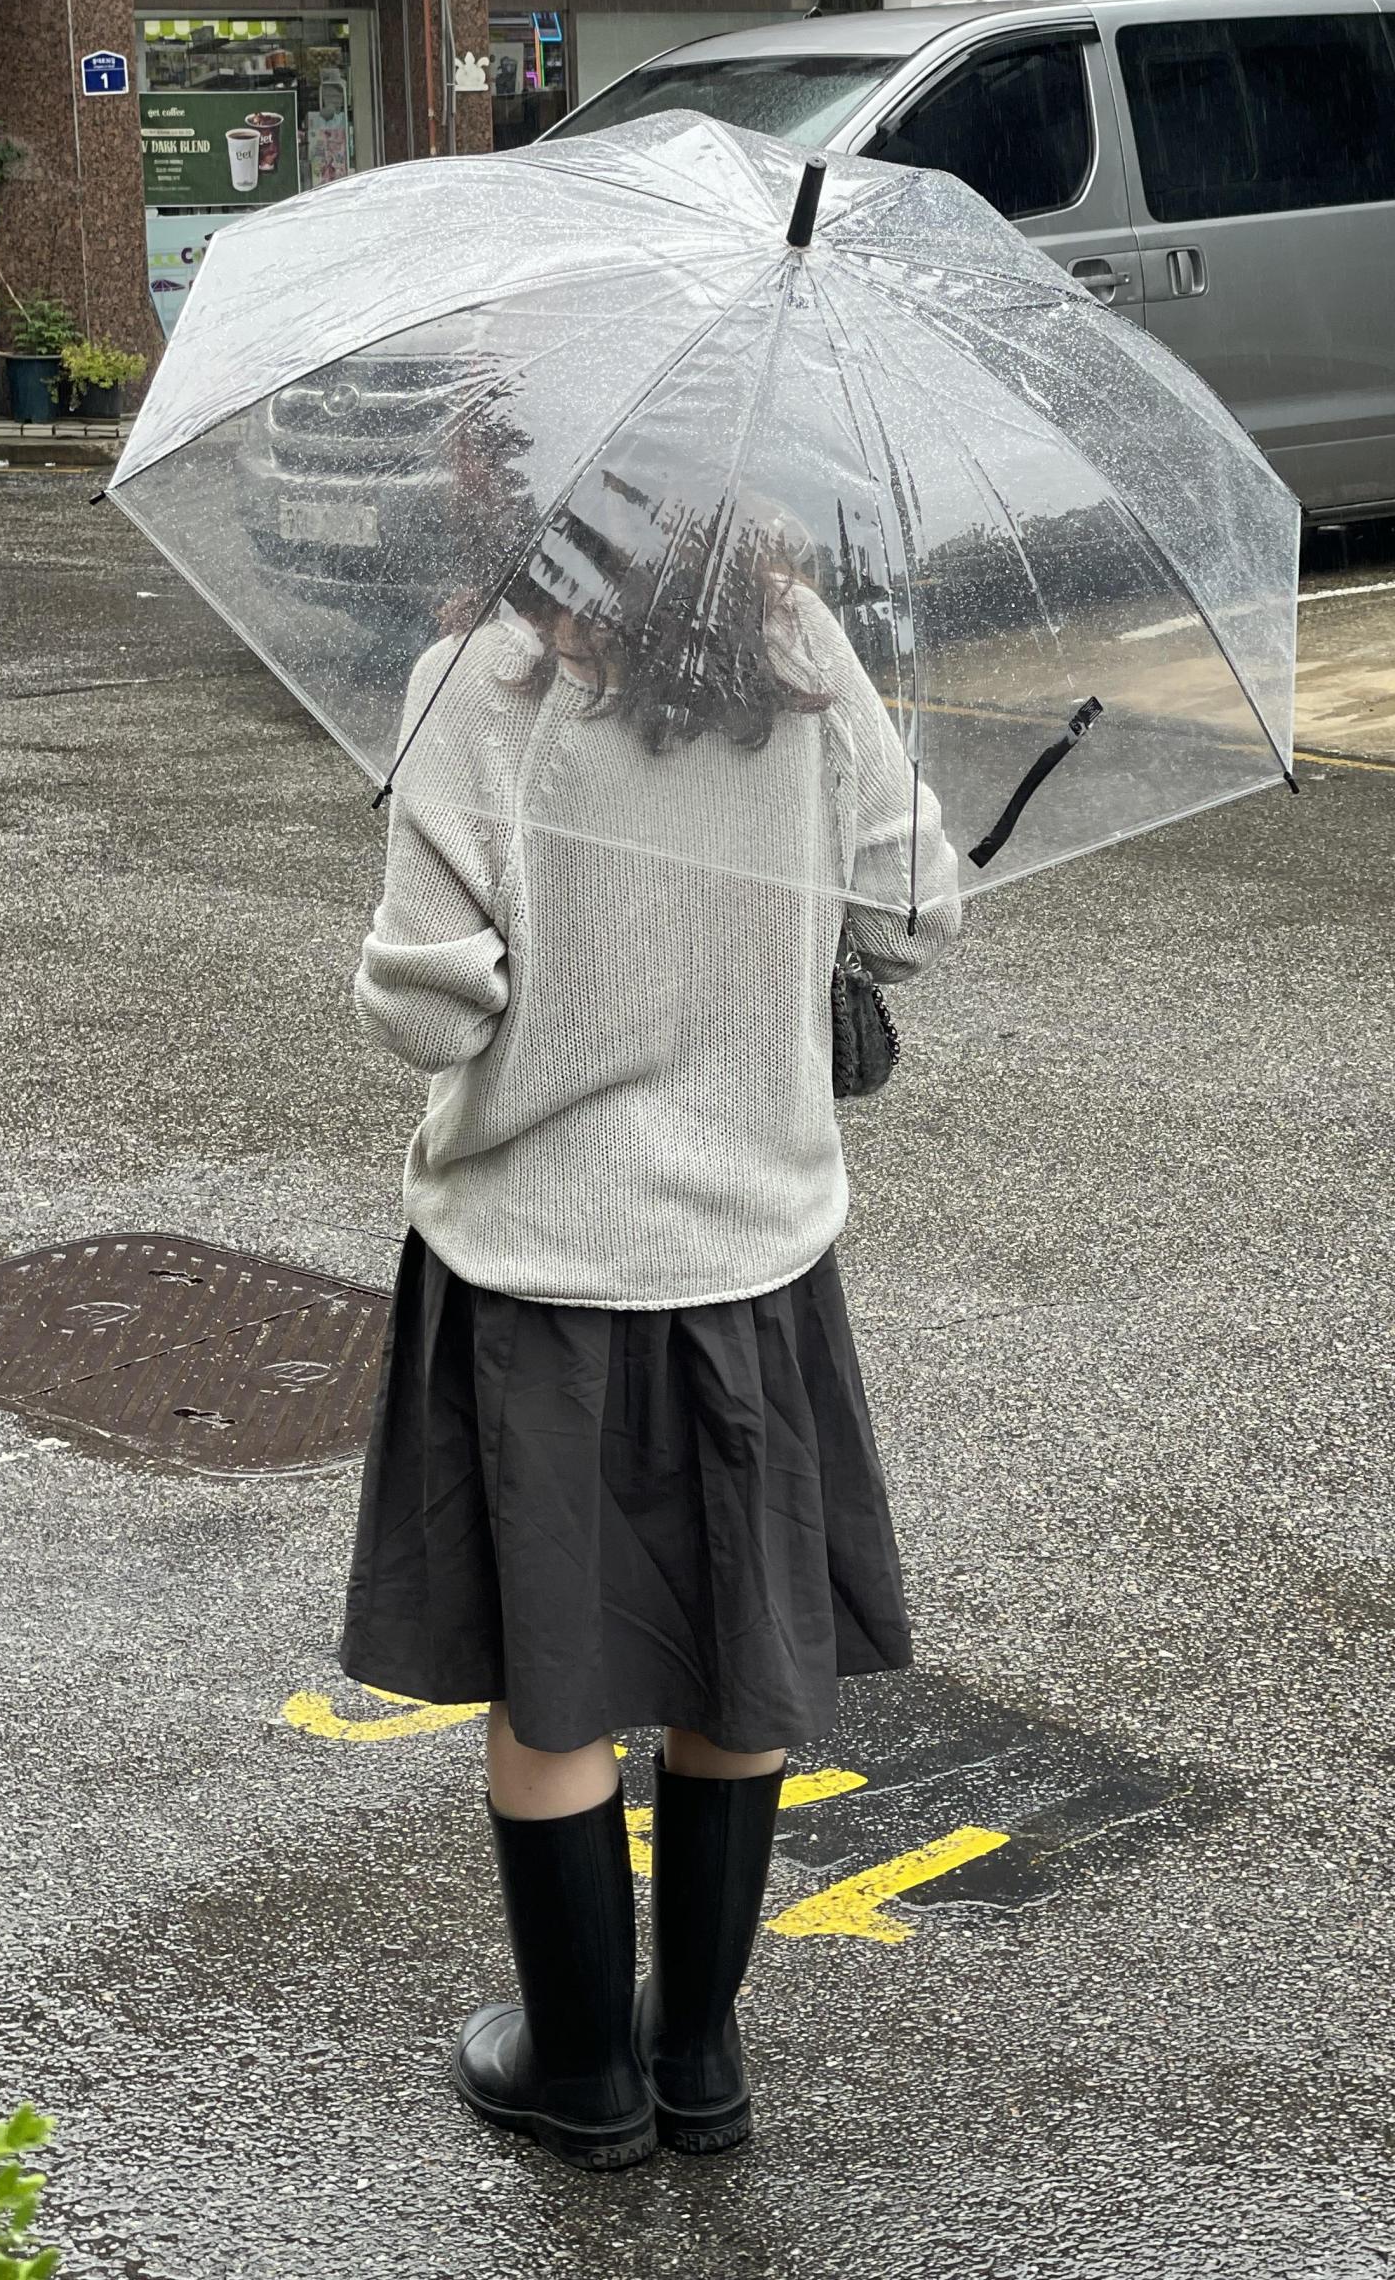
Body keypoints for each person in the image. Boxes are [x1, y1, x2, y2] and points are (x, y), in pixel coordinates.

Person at [339, 490, 960, 2171]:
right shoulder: (798, 648)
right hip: (753, 1257)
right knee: (731, 1642)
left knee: (555, 1675)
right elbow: (914, 915)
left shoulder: (478, 681)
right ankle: (698, 2054)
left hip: (537, 1265)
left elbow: (425, 1002)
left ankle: (582, 2074)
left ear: (513, 481)